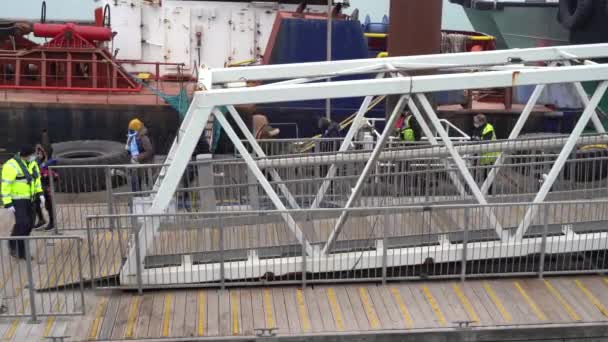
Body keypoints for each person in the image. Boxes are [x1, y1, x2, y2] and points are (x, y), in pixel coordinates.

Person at [2, 145, 44, 259]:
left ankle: (15, 244)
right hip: (18, 200)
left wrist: (40, 194)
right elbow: (5, 185)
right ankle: (19, 250)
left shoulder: (32, 163)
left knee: (29, 224)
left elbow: (36, 179)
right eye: (32, 155)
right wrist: (8, 203)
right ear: (25, 156)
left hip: (30, 199)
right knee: (23, 223)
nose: (34, 157)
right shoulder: (11, 166)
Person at [125, 118, 155, 192]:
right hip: (136, 167)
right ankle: (135, 200)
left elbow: (150, 151)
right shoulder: (132, 138)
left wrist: (138, 157)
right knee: (134, 184)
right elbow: (130, 152)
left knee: (149, 185)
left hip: (145, 166)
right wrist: (128, 147)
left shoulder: (144, 138)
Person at [471, 114, 499, 190]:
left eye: (476, 121)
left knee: (487, 174)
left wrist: (477, 141)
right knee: (474, 172)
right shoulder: (477, 128)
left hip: (489, 154)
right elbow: (473, 138)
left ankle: (488, 190)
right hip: (480, 154)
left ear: (481, 121)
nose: (474, 123)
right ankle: (472, 188)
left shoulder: (488, 128)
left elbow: (486, 141)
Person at [33, 144, 57, 231]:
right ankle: (41, 219)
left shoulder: (51, 161)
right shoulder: (37, 161)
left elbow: (55, 174)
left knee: (48, 205)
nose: (39, 154)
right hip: (39, 186)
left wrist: (44, 171)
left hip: (47, 186)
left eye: (41, 152)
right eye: (38, 152)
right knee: (36, 202)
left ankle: (52, 222)